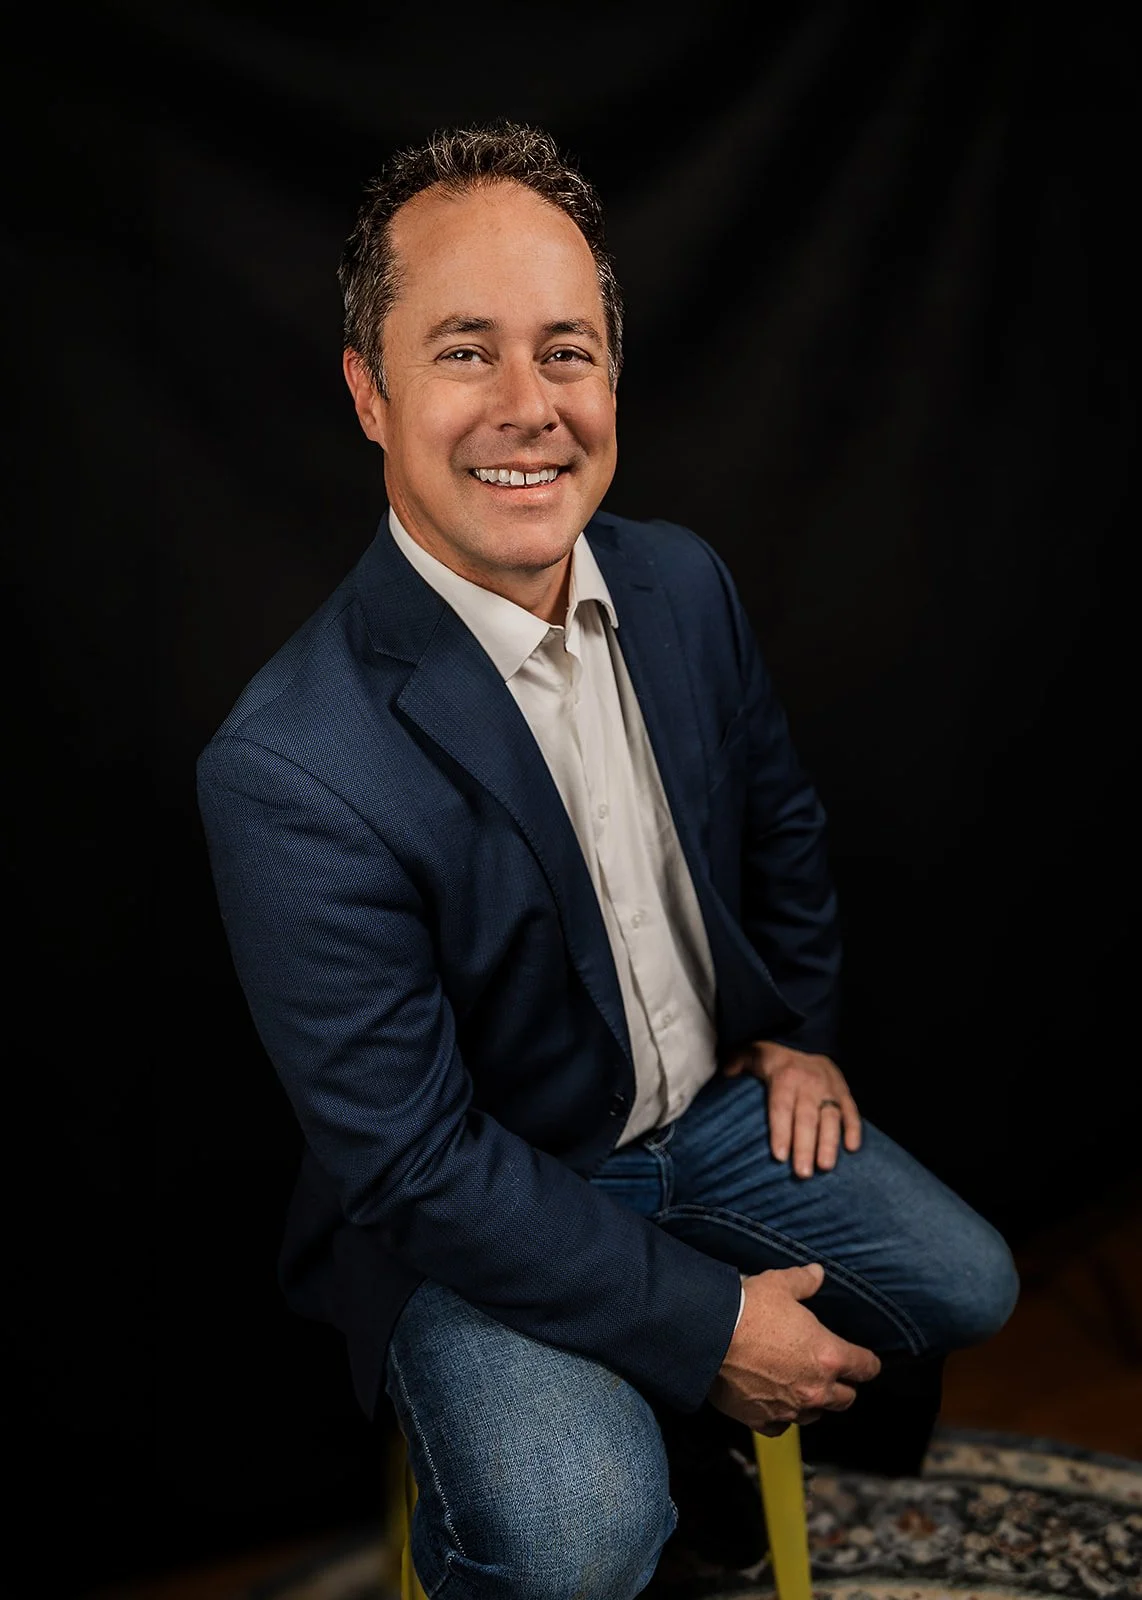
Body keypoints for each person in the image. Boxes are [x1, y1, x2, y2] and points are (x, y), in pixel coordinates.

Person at [197, 120, 1019, 1600]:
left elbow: (779, 827)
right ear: (367, 393)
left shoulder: (679, 582)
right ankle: (632, 1471)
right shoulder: (288, 765)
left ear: (611, 377)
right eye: (465, 351)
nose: (530, 407)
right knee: (575, 1543)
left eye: (564, 350)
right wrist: (712, 1329)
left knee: (970, 1283)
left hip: (695, 1114)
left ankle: (690, 1461)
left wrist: (794, 1033)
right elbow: (414, 1162)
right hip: (477, 1204)